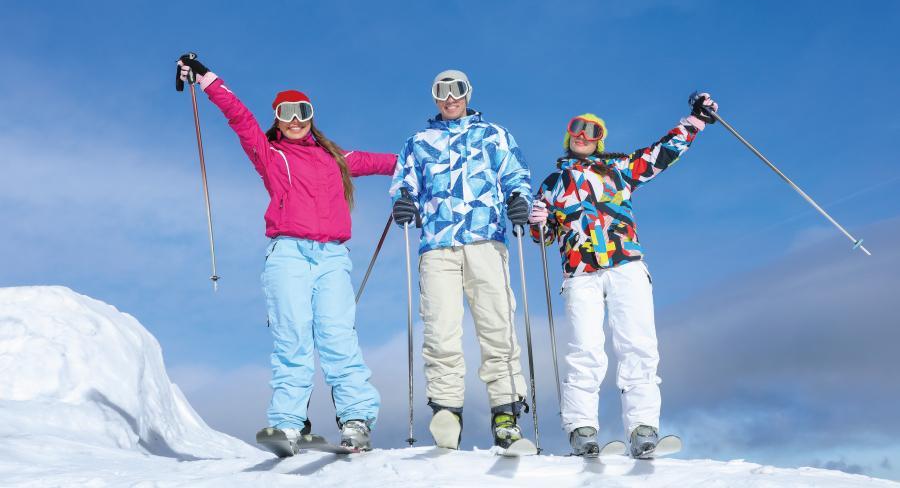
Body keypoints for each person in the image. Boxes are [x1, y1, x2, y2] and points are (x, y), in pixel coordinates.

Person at [176, 55, 396, 452]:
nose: (295, 120)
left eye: (303, 111)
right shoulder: (269, 154)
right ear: (276, 118)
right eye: (286, 112)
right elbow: (239, 116)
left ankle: (356, 418)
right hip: (288, 254)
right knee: (291, 337)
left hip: (331, 257)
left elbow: (392, 163)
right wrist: (207, 78)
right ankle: (288, 424)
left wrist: (429, 164)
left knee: (337, 336)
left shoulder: (337, 159)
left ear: (311, 116)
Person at [528, 92, 718, 458]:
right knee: (585, 349)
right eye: (577, 129)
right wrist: (538, 222)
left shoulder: (618, 168)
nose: (583, 135)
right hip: (581, 272)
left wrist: (693, 122)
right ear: (569, 137)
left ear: (601, 137)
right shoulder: (554, 183)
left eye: (592, 130)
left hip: (625, 264)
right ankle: (582, 428)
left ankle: (643, 428)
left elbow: (661, 154)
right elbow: (544, 237)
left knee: (638, 344)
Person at [389, 70, 534, 449]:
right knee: (440, 330)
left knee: (497, 325)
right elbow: (404, 182)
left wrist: (519, 199)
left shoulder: (494, 134)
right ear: (434, 96)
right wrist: (404, 201)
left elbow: (515, 173)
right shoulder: (419, 142)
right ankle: (447, 412)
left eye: (457, 90)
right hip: (438, 245)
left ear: (468, 93)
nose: (450, 97)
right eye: (441, 91)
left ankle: (505, 413)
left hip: (485, 240)